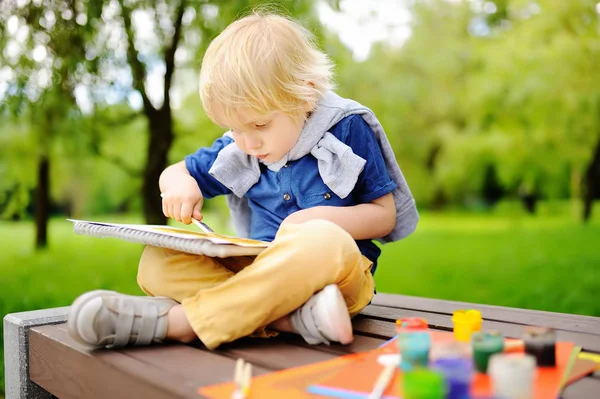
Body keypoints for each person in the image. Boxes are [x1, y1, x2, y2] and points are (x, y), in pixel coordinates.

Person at [67, 11, 418, 350]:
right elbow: (175, 171)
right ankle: (290, 319)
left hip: (338, 278)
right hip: (259, 273)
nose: (247, 142)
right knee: (156, 260)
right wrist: (180, 185)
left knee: (323, 240)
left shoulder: (345, 128)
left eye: (260, 125)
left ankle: (183, 324)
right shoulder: (241, 146)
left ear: (305, 94)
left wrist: (312, 222)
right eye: (235, 129)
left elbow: (383, 216)